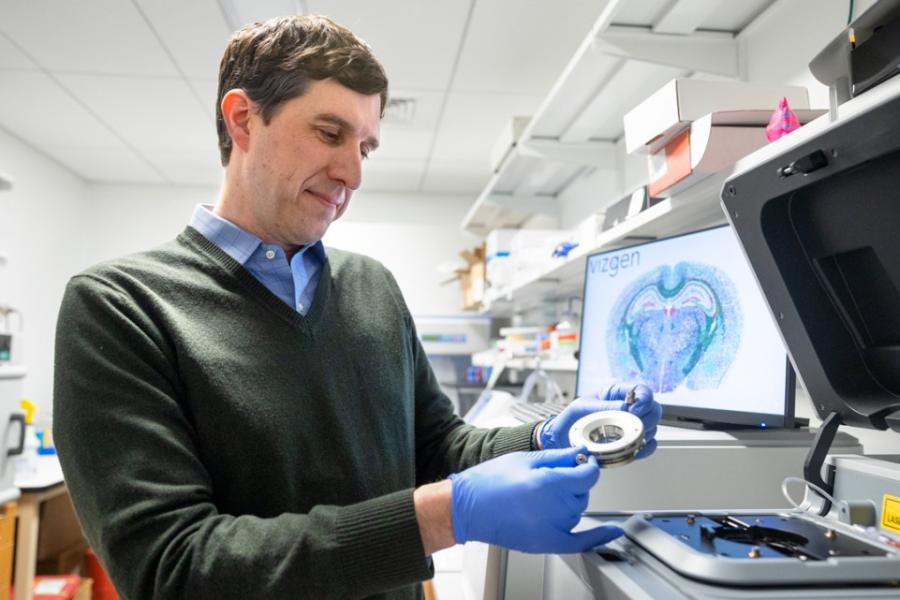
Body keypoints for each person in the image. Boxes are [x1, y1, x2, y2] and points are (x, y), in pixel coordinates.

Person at [53, 14, 662, 600]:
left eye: (365, 147)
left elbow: (435, 446)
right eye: (329, 133)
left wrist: (546, 437)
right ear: (243, 119)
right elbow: (172, 568)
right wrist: (442, 517)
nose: (352, 171)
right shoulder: (121, 307)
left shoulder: (372, 287)